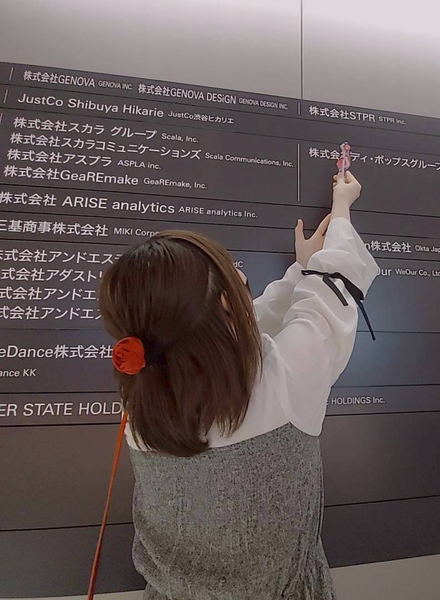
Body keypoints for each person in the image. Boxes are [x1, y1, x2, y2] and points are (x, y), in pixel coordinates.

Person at [99, 171, 378, 600]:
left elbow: (234, 331)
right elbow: (331, 294)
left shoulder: (144, 405)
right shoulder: (280, 383)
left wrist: (299, 270)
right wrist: (342, 206)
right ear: (227, 301)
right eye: (234, 270)